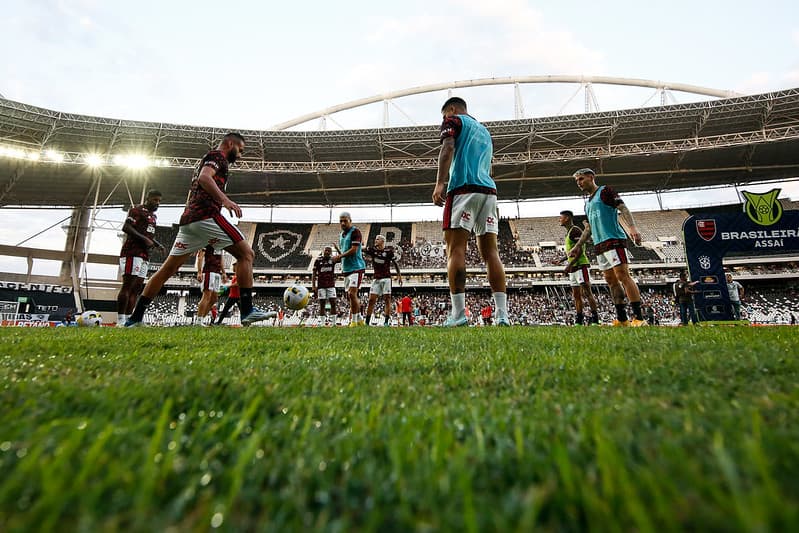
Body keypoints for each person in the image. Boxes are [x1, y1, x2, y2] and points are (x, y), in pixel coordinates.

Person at [124, 133, 274, 327]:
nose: (240, 156)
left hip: (189, 221)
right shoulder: (217, 157)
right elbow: (204, 178)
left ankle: (134, 319)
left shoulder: (210, 159)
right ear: (230, 144)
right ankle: (247, 310)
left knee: (167, 270)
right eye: (240, 150)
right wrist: (225, 200)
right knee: (247, 254)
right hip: (206, 217)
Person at [432, 96, 509, 326]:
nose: (445, 119)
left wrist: (439, 183)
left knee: (456, 250)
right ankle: (502, 314)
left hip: (463, 188)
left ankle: (458, 314)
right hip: (488, 191)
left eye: (445, 114)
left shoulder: (454, 121)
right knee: (491, 253)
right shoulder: (484, 131)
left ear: (452, 110)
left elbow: (447, 149)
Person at [569, 168, 647, 327]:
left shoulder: (605, 191)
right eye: (577, 181)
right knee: (611, 280)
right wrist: (578, 246)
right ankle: (622, 319)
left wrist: (632, 228)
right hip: (599, 246)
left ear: (591, 177)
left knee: (623, 276)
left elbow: (623, 208)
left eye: (581, 179)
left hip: (613, 240)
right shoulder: (587, 204)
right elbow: (589, 228)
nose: (579, 183)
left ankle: (639, 318)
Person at [116, 189, 165, 326]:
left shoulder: (153, 217)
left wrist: (157, 244)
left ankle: (129, 320)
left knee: (137, 288)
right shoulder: (136, 211)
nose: (157, 203)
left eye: (159, 201)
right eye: (155, 200)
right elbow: (126, 227)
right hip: (132, 252)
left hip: (144, 255)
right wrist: (144, 239)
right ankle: (120, 320)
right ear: (148, 198)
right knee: (128, 285)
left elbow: (148, 235)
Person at [559, 210, 599, 325]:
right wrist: (561, 260)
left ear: (567, 218)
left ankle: (595, 319)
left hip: (580, 266)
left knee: (587, 293)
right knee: (576, 295)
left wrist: (569, 265)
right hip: (573, 268)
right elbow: (571, 252)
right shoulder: (568, 233)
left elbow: (579, 250)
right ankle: (579, 320)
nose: (559, 220)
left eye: (561, 217)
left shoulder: (575, 230)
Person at [332, 212, 366, 327]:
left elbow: (354, 250)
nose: (342, 223)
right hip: (346, 269)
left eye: (345, 220)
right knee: (350, 296)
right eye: (340, 221)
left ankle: (354, 321)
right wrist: (338, 258)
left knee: (352, 293)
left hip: (357, 267)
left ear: (350, 220)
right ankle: (360, 319)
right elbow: (344, 252)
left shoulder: (355, 232)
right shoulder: (341, 234)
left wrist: (340, 256)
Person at [363, 235, 402, 326]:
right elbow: (362, 249)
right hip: (376, 278)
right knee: (371, 300)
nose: (375, 241)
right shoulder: (372, 250)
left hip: (386, 278)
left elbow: (395, 263)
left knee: (387, 300)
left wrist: (399, 275)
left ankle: (386, 322)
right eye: (375, 239)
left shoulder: (388, 252)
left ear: (382, 241)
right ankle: (367, 322)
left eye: (377, 239)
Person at [195, 245, 227, 326]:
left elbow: (221, 259)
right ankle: (199, 321)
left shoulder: (220, 245)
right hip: (209, 272)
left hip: (217, 273)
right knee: (206, 296)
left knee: (214, 298)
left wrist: (223, 272)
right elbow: (200, 257)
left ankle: (201, 319)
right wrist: (199, 272)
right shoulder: (206, 243)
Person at [311, 246, 338, 326]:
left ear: (331, 252)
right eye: (326, 250)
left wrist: (337, 249)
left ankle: (333, 323)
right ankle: (322, 323)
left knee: (333, 303)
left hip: (331, 285)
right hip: (321, 285)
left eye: (329, 251)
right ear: (323, 251)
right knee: (322, 304)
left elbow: (342, 257)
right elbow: (314, 273)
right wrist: (313, 285)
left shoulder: (333, 260)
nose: (327, 252)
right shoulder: (318, 260)